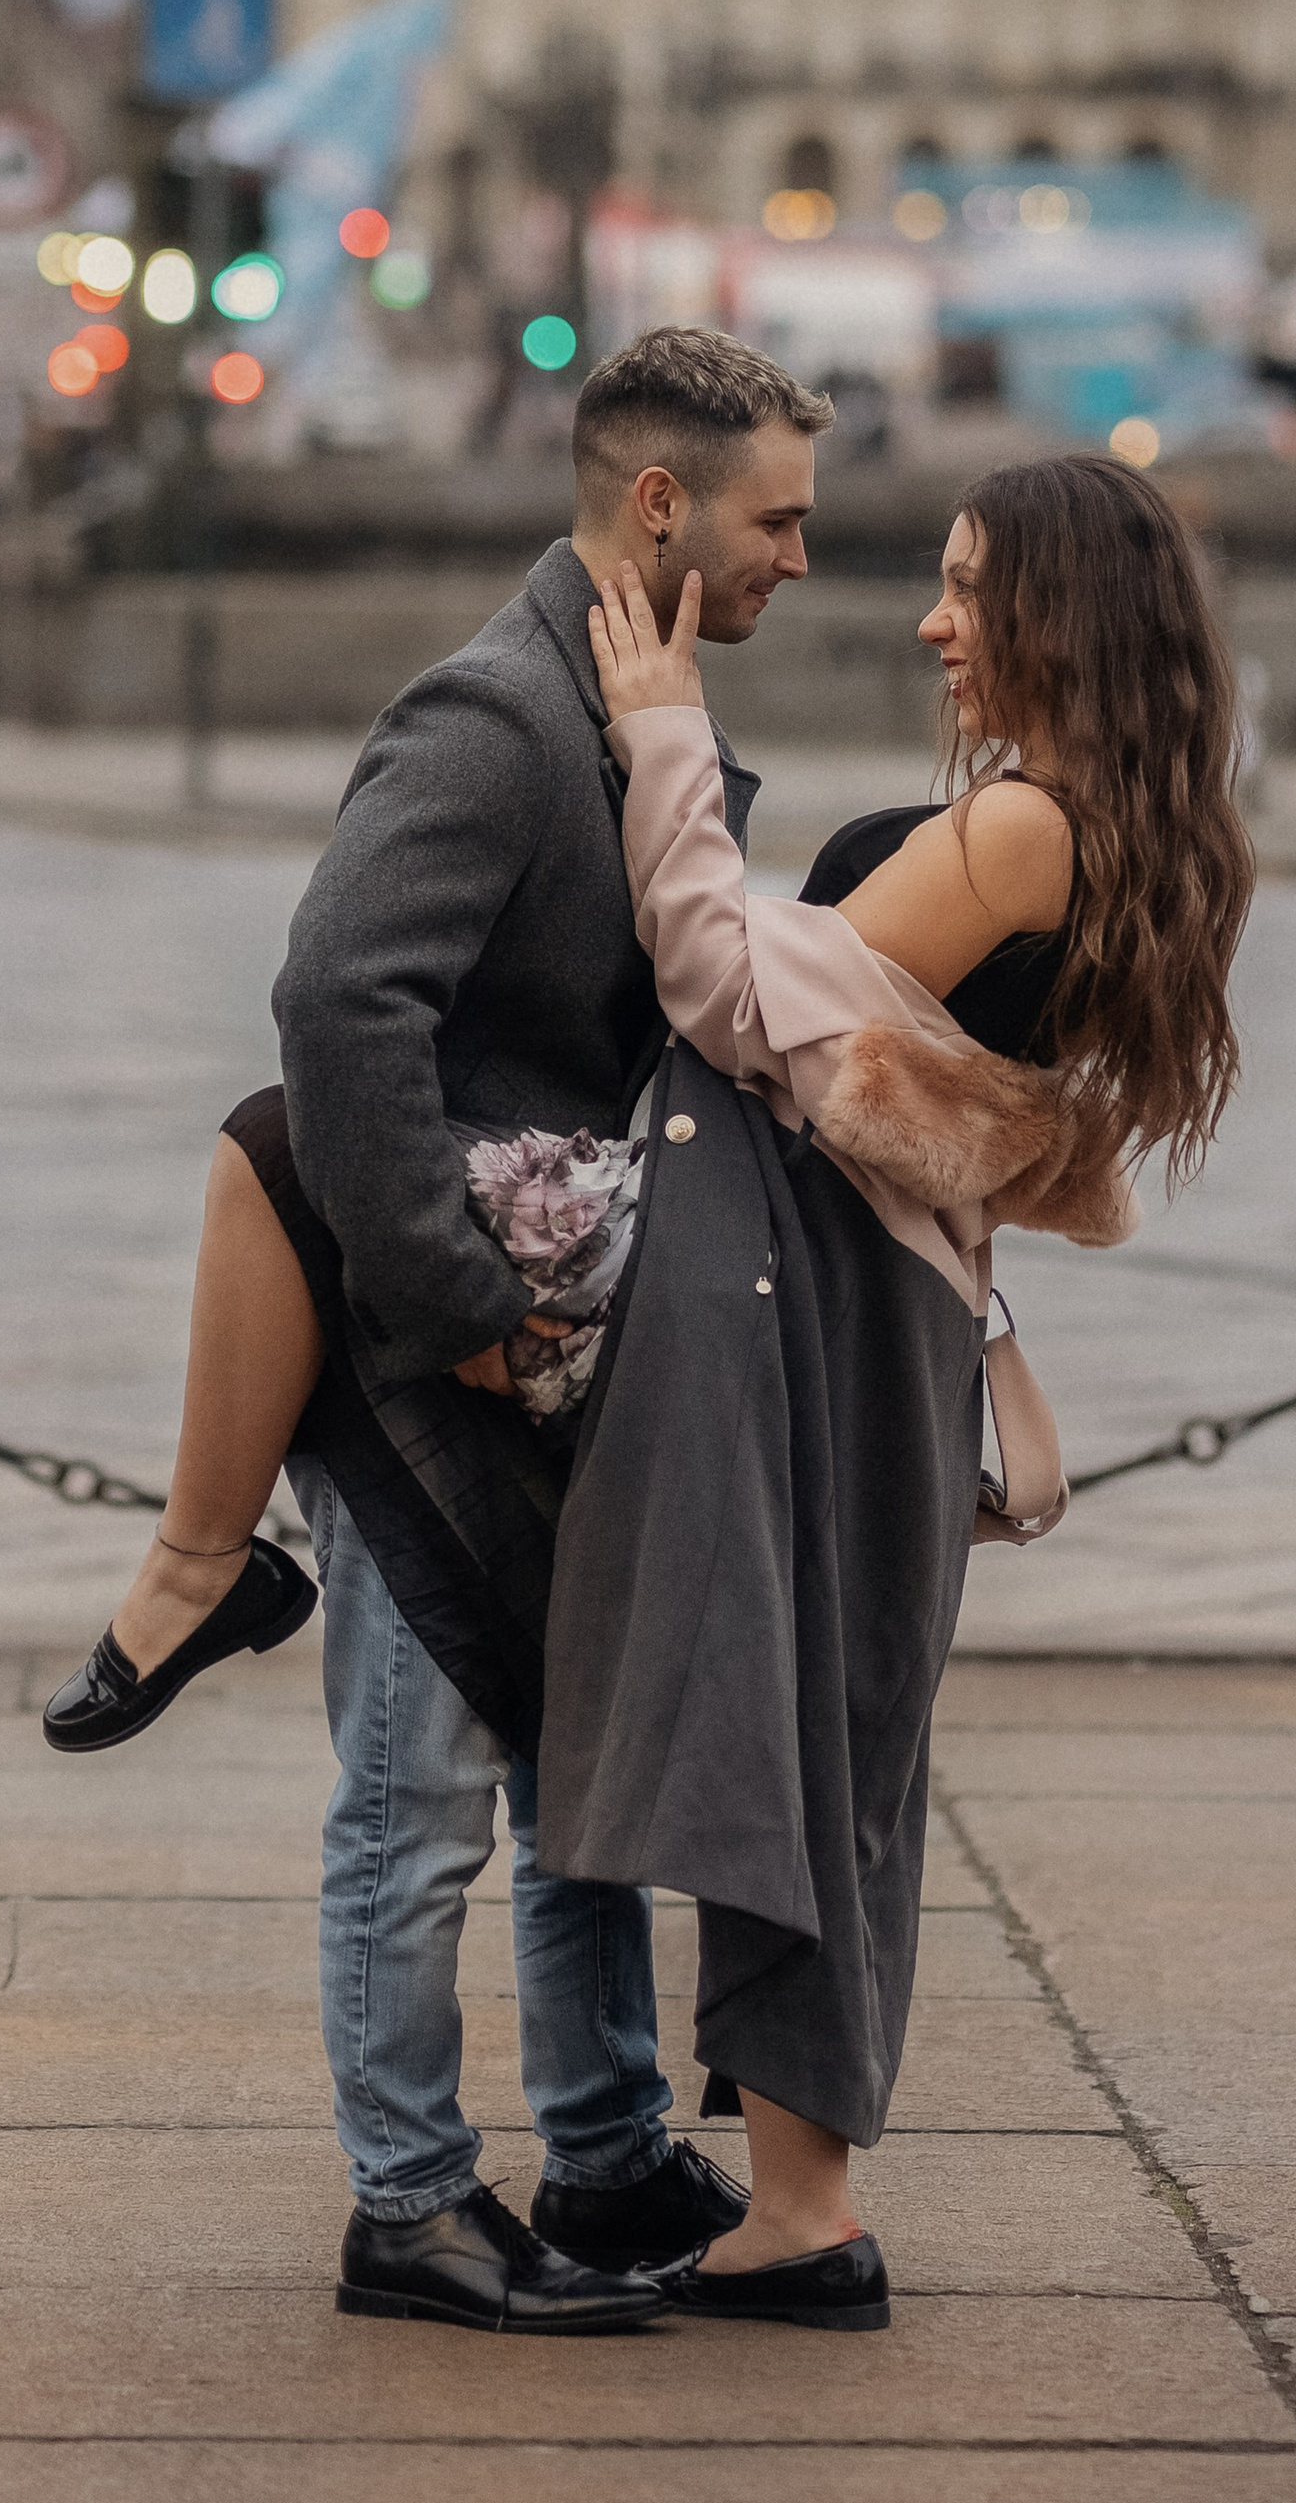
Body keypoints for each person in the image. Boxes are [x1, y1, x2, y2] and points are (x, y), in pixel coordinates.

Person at [45, 330, 836, 2336]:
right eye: (776, 523)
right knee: (414, 1806)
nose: (798, 563)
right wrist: (458, 1305)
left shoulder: (614, 707)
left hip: (554, 1356)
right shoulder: (490, 718)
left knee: (580, 1775)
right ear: (657, 509)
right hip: (435, 1370)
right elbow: (332, 1013)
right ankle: (404, 2201)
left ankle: (596, 2146)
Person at [543, 459, 1249, 2329]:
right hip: (872, 1294)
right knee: (834, 1731)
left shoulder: (1028, 827)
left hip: (826, 1302)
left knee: (807, 1736)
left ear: (1060, 616)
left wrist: (662, 730)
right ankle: (793, 2198)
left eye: (965, 588)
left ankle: (804, 2216)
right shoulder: (1116, 820)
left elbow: (722, 979)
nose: (934, 621)